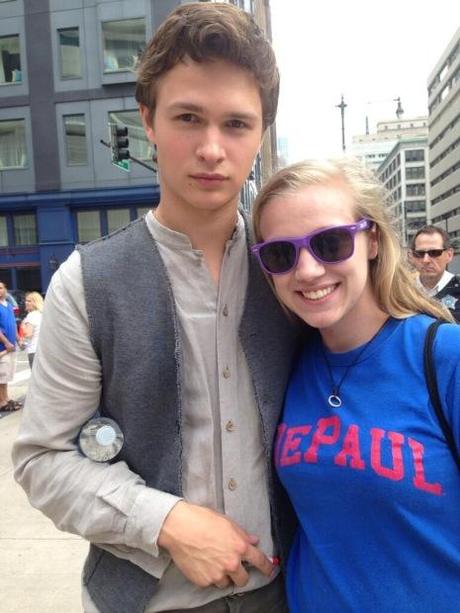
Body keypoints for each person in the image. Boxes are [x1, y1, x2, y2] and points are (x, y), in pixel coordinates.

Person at [12, 4, 299, 613]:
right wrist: (165, 520)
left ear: (262, 132)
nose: (212, 149)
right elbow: (42, 458)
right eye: (188, 118)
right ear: (147, 119)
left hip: (289, 593)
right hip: (143, 601)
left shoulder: (294, 273)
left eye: (237, 124)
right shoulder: (86, 282)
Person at [251, 158, 460, 612]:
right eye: (281, 254)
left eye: (330, 243)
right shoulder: (286, 366)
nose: (306, 271)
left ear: (372, 241)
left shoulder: (446, 357)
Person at [409, 224, 460, 321]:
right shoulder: (402, 291)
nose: (426, 260)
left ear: (449, 255)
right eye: (419, 253)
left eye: (434, 253)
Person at [0, 280, 21, 412]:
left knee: (6, 376)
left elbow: (13, 323)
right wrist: (6, 342)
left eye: (1, 288)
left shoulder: (8, 305)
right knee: (1, 377)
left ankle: (6, 398)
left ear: (5, 289)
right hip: (3, 347)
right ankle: (2, 402)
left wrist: (18, 339)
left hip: (12, 346)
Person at [20, 291, 44, 368]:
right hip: (43, 351)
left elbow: (28, 334)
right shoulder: (42, 314)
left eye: (29, 301)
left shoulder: (31, 316)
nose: (26, 303)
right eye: (26, 301)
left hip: (34, 351)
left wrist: (23, 326)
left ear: (35, 302)